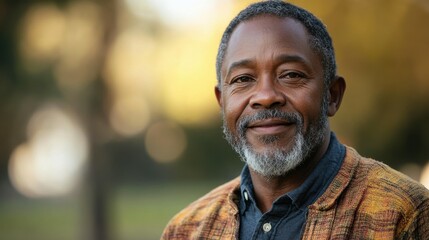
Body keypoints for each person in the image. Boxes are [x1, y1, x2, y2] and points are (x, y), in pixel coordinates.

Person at [161, 1, 429, 239]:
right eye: (243, 79)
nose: (266, 96)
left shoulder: (404, 216)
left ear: (332, 96)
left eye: (290, 75)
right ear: (223, 102)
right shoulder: (187, 230)